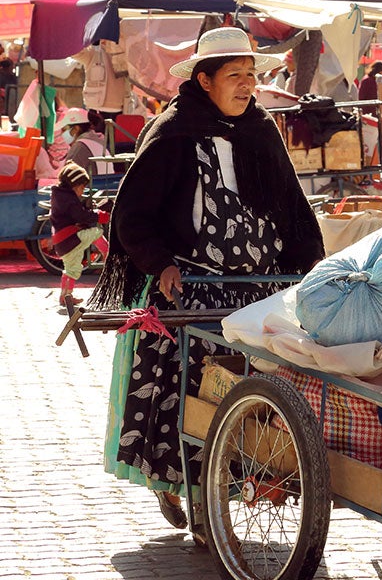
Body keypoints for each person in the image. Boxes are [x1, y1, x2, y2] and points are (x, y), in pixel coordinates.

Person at [89, 27, 325, 534]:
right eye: (235, 76)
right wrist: (161, 265)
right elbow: (132, 214)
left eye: (251, 75)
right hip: (194, 291)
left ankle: (225, 491)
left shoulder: (262, 130)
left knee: (251, 395)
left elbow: (293, 208)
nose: (247, 85)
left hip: (259, 291)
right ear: (204, 80)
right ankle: (192, 497)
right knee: (196, 399)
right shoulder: (174, 133)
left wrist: (313, 269)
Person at [49, 162, 109, 307]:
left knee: (71, 269)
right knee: (96, 232)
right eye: (82, 187)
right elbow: (81, 216)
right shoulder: (69, 199)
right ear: (75, 185)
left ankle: (65, 297)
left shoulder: (60, 196)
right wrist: (99, 216)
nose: (83, 191)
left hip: (61, 241)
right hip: (69, 238)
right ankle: (107, 253)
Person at [55, 108, 113, 176]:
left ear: (76, 129)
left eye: (64, 130)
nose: (62, 133)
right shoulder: (98, 140)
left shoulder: (80, 147)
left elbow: (66, 179)